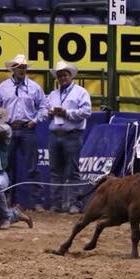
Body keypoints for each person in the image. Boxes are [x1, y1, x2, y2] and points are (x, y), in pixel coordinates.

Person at [0, 54, 48, 210]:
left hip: (27, 128)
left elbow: (44, 106)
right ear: (13, 69)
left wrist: (35, 120)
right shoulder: (3, 87)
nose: (22, 69)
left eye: (24, 67)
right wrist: (0, 124)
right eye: (19, 67)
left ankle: (37, 201)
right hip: (9, 128)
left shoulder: (35, 87)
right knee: (6, 166)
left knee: (32, 167)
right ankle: (6, 201)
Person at [45, 61, 91, 214]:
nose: (62, 78)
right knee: (55, 171)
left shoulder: (81, 92)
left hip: (72, 135)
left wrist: (67, 113)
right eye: (59, 75)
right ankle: (57, 204)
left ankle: (74, 204)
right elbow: (45, 112)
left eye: (64, 75)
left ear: (70, 76)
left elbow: (86, 112)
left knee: (72, 171)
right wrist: (49, 113)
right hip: (55, 134)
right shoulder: (53, 94)